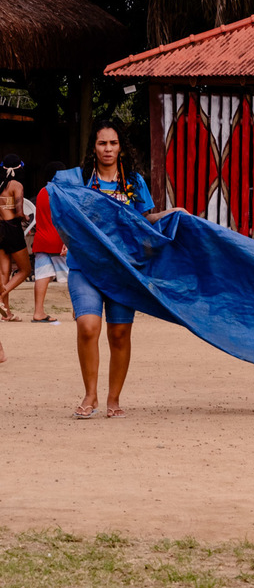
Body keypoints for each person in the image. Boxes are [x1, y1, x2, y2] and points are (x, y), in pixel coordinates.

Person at [71, 123, 183, 419]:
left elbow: (144, 221)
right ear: (93, 147)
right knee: (87, 326)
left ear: (120, 147)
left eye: (113, 143)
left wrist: (171, 214)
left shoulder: (134, 182)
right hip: (85, 266)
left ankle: (113, 399)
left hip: (123, 268)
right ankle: (90, 395)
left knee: (119, 333)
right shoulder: (79, 180)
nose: (108, 149)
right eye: (102, 143)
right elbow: (62, 210)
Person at [31, 161, 69, 323]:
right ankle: (78, 312)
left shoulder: (42, 192)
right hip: (59, 241)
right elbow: (66, 219)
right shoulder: (62, 192)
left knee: (42, 276)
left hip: (41, 240)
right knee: (74, 276)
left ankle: (38, 312)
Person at [0, 154, 33, 328]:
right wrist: (26, 217)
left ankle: (6, 313)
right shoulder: (16, 185)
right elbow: (19, 212)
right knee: (25, 270)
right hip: (11, 228)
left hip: (0, 228)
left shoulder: (0, 185)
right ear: (19, 168)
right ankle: (0, 296)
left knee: (4, 272)